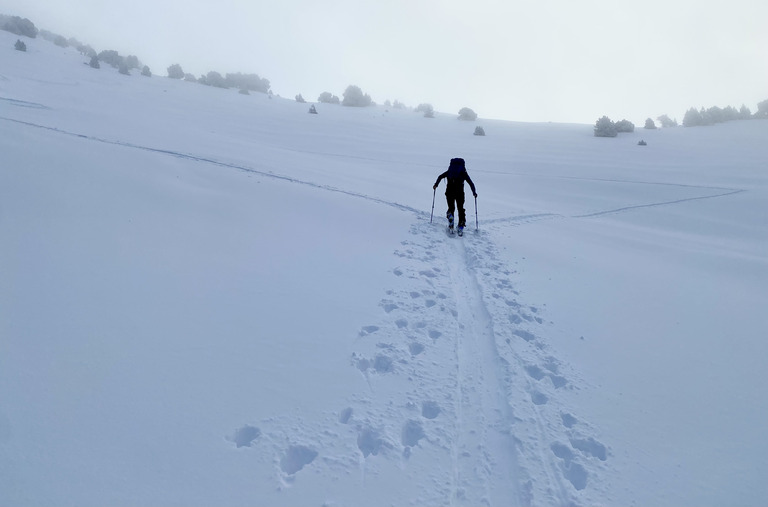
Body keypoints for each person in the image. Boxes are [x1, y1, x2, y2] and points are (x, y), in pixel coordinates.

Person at [433, 158, 477, 232]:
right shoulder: (463, 173)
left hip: (449, 191)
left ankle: (451, 219)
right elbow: (471, 183)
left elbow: (440, 176)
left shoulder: (449, 171)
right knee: (460, 209)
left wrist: (436, 185)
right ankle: (461, 225)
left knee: (451, 207)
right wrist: (474, 193)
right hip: (460, 193)